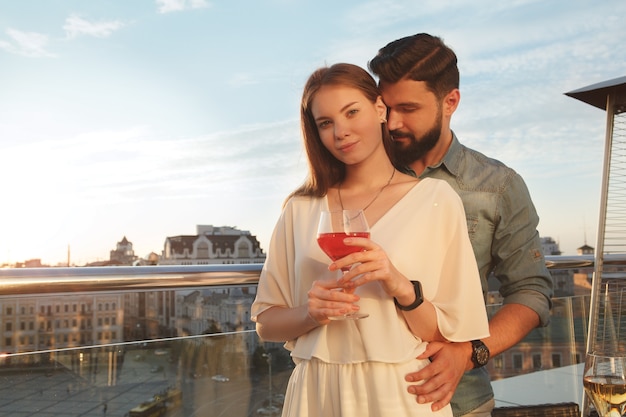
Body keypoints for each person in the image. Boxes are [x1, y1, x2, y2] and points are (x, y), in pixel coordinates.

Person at [251, 62, 489, 417]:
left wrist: (398, 283)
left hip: (402, 390)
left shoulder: (436, 200)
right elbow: (265, 323)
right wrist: (311, 313)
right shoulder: (300, 210)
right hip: (317, 392)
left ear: (380, 109)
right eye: (326, 123)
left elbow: (447, 333)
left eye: (352, 112)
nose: (341, 131)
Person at [368, 33, 554, 417]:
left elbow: (531, 291)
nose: (393, 123)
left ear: (450, 101)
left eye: (408, 108)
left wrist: (470, 353)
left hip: (460, 403)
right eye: (386, 108)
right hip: (361, 399)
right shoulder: (359, 175)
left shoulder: (498, 186)